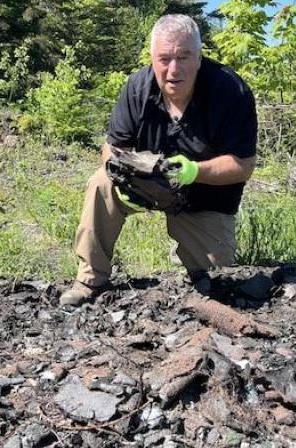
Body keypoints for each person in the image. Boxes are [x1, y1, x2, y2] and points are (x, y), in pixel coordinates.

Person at [60, 14, 258, 306]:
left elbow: (243, 165)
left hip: (204, 195)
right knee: (101, 183)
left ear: (199, 58)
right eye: (164, 59)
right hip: (145, 182)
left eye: (184, 57)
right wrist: (127, 176)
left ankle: (195, 269)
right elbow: (112, 148)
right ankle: (90, 279)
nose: (173, 69)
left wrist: (194, 171)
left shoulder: (230, 91)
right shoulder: (138, 87)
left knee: (217, 279)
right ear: (153, 58)